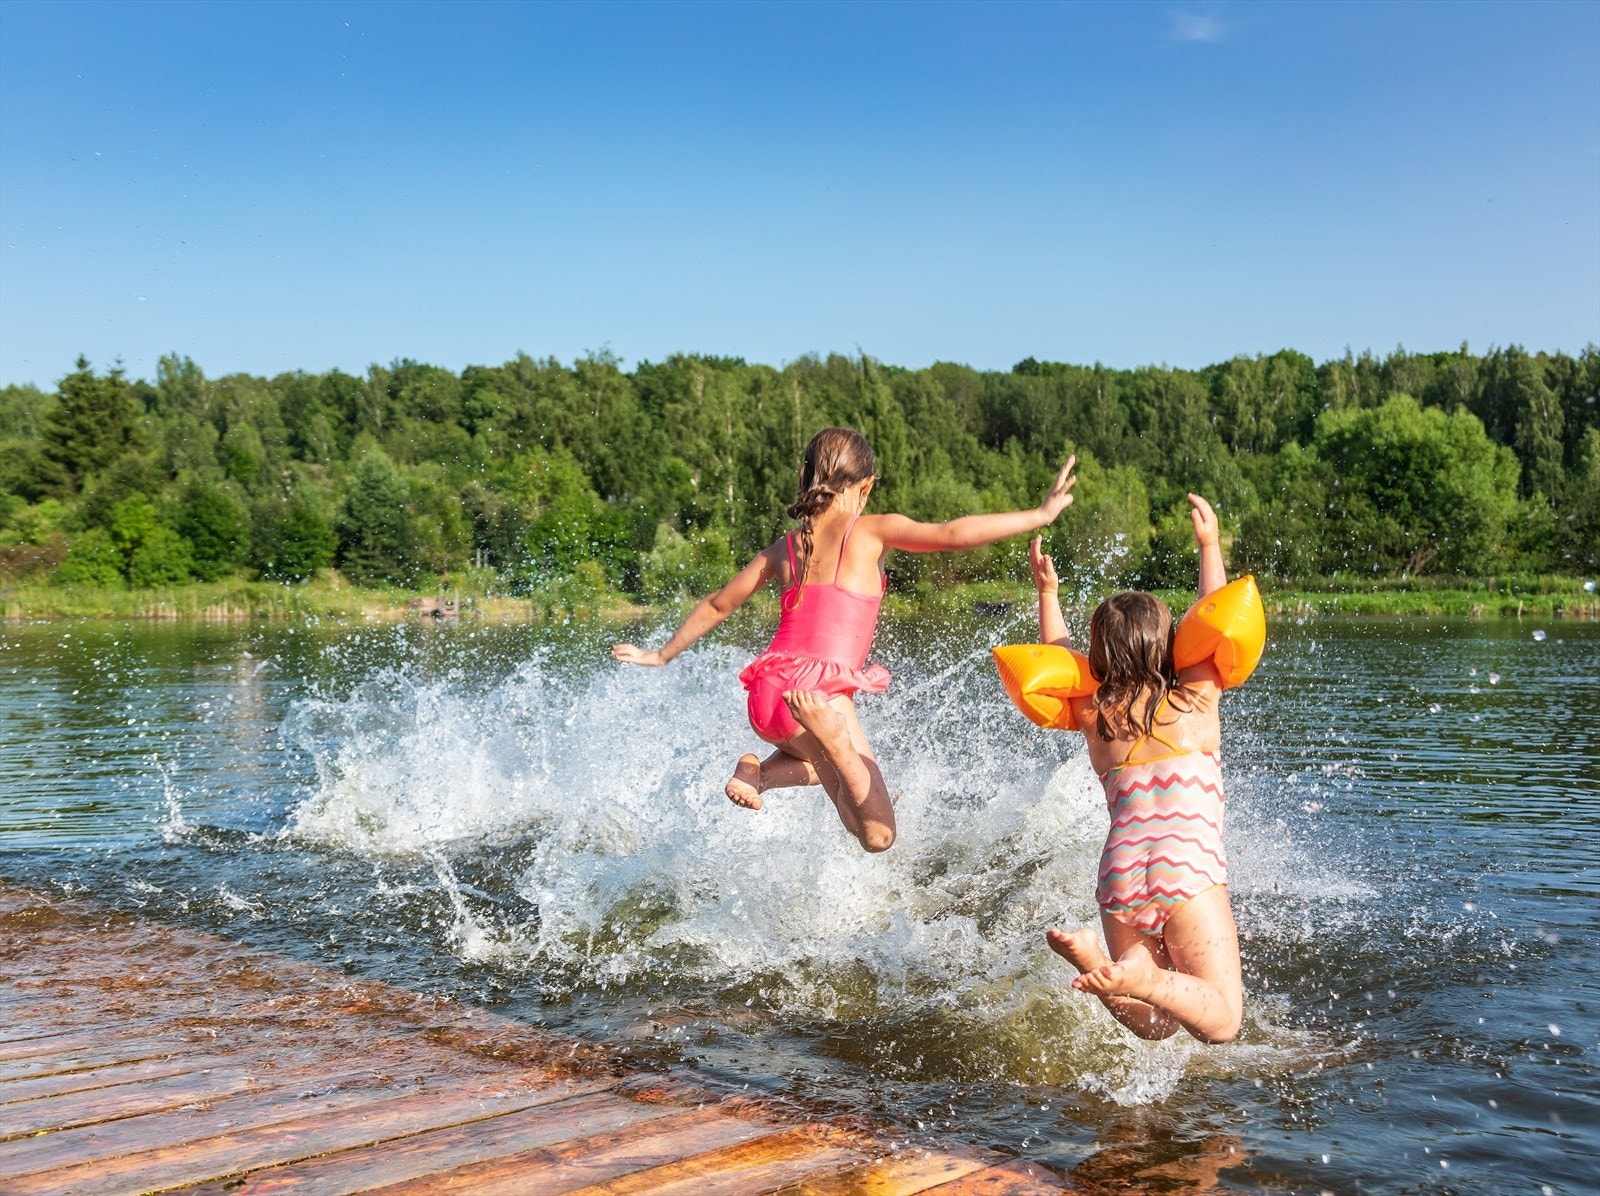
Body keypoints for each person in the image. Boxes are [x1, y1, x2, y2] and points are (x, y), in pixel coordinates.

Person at [613, 426, 1077, 854]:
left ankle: (759, 772)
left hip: (767, 695)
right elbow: (952, 534)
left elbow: (718, 604)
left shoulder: (784, 547)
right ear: (866, 486)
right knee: (878, 834)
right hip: (819, 696)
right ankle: (836, 752)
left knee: (821, 769)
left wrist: (661, 654)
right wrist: (1040, 514)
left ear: (806, 476)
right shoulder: (870, 531)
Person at [1030, 493, 1243, 1043]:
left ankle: (1099, 965)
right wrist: (1209, 545)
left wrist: (1048, 593)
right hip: (1185, 866)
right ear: (1168, 646)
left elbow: (1060, 659)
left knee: (1155, 1028)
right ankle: (1143, 979)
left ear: (1100, 657)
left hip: (1121, 871)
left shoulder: (1095, 717)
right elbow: (1216, 614)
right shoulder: (1195, 700)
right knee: (1222, 1022)